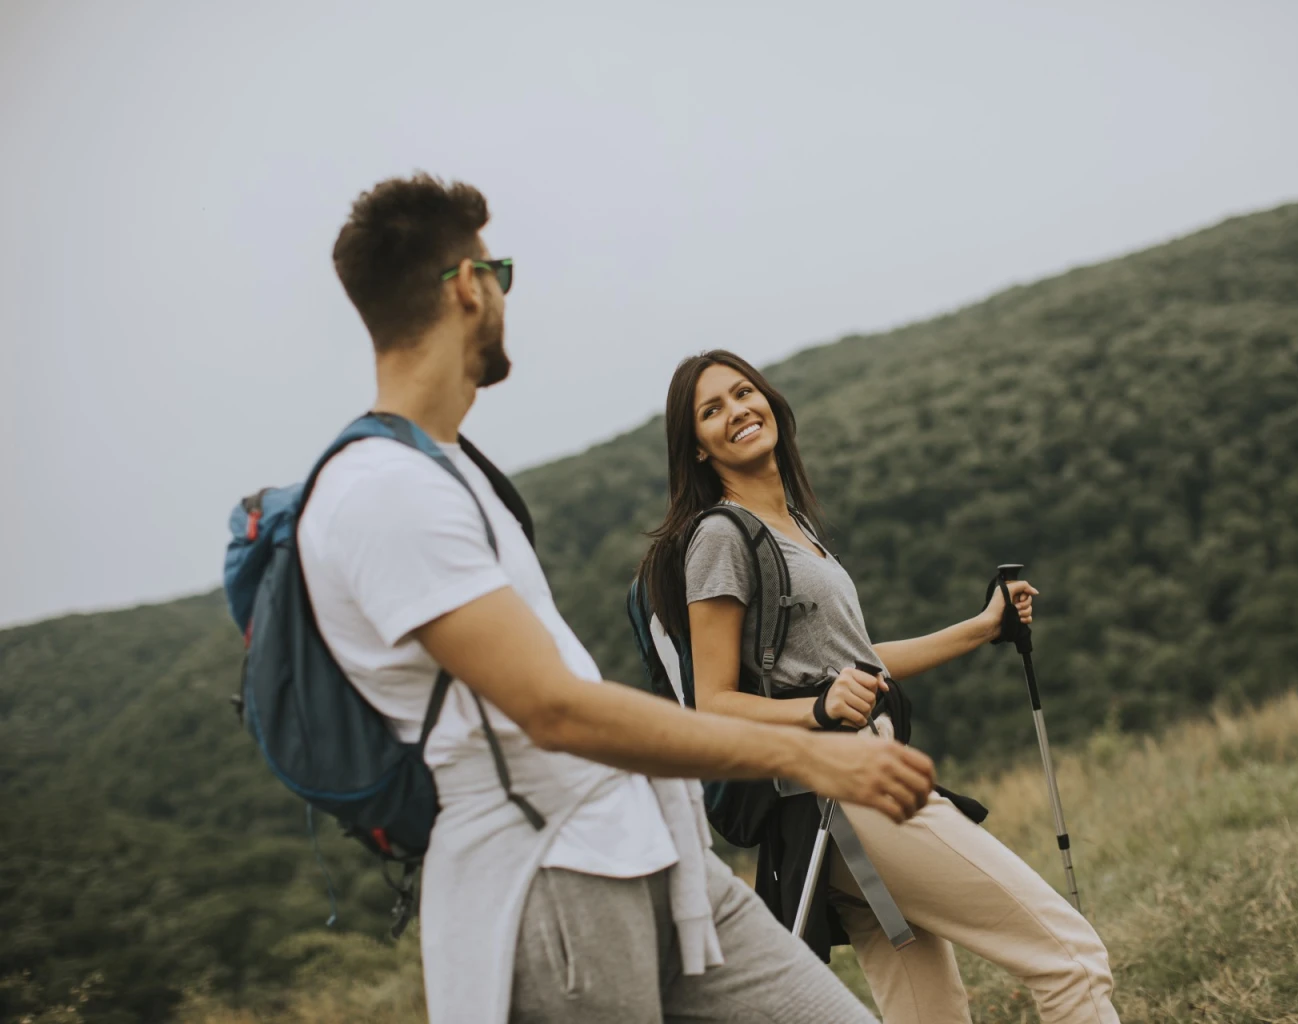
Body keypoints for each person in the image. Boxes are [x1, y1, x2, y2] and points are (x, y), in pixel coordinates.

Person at [301, 174, 936, 1024]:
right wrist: (805, 752)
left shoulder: (445, 471)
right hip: (551, 878)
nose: (503, 295)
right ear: (467, 287)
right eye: (502, 272)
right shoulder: (383, 493)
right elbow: (554, 710)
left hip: (651, 850)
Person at [636, 349, 1123, 1024]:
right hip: (846, 791)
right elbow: (714, 705)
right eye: (711, 410)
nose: (737, 412)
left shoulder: (794, 529)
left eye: (744, 392)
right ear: (694, 447)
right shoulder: (721, 538)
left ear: (770, 400)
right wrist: (818, 705)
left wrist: (984, 628)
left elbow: (858, 662)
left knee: (931, 1015)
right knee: (1069, 957)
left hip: (846, 801)